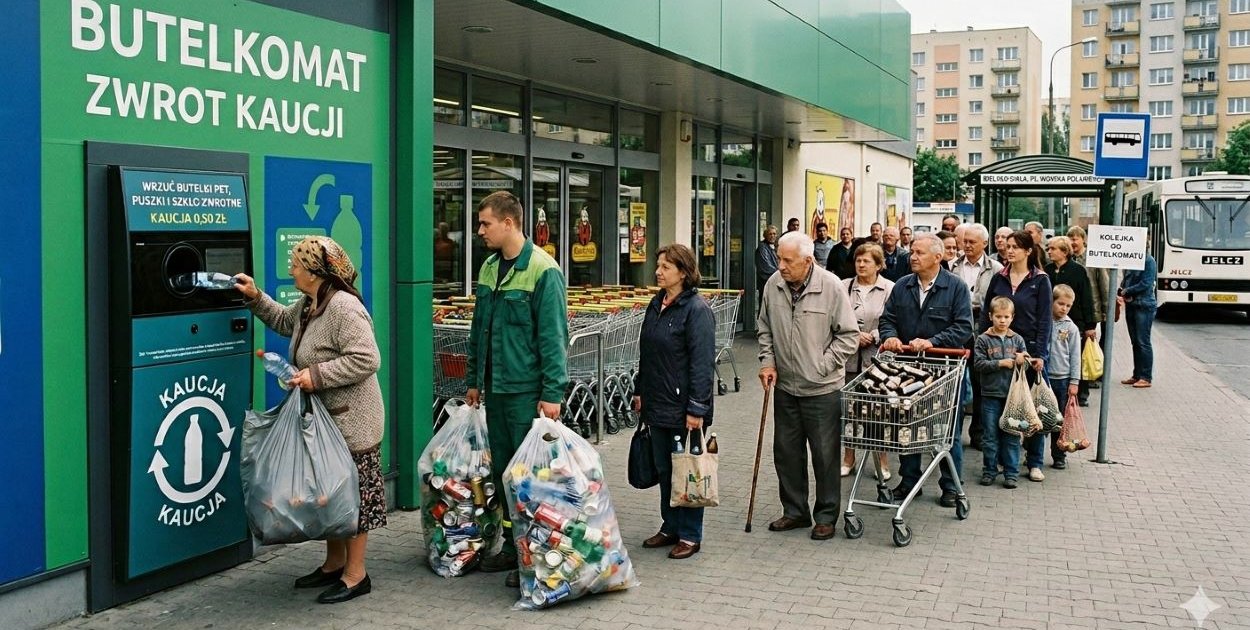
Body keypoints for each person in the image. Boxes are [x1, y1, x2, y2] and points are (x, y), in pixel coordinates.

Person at [234, 237, 384, 604]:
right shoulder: (310, 303)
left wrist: (314, 376)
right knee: (329, 490)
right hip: (326, 418)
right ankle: (334, 564)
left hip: (353, 419)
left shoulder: (344, 308)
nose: (291, 270)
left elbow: (367, 358)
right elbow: (284, 320)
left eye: (297, 265)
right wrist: (255, 297)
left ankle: (356, 574)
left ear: (316, 272)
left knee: (355, 495)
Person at [463, 190, 569, 587]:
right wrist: (474, 380)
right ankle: (512, 545)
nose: (480, 231)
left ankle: (535, 552)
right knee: (505, 473)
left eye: (485, 223)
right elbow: (479, 330)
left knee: (531, 477)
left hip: (527, 393)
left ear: (509, 223)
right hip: (497, 389)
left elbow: (553, 338)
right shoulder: (490, 268)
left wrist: (552, 393)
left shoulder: (543, 271)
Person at [757, 232, 859, 540]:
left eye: (788, 261)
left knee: (825, 456)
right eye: (779, 259)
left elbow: (849, 336)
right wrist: (767, 362)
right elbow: (764, 329)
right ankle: (795, 511)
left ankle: (826, 515)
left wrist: (822, 366)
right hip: (786, 387)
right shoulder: (773, 285)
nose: (782, 266)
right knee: (786, 453)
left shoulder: (831, 287)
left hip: (823, 390)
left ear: (808, 261)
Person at [633, 244, 716, 560]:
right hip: (658, 405)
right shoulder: (657, 304)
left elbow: (702, 363)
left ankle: (690, 535)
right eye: (658, 265)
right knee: (665, 469)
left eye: (665, 266)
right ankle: (670, 526)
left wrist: (697, 408)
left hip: (684, 409)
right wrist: (641, 390)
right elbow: (647, 354)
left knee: (689, 471)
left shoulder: (696, 310)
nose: (658, 271)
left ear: (683, 272)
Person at [878, 234, 974, 507]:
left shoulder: (955, 287)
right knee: (908, 425)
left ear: (938, 256)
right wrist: (890, 336)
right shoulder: (902, 286)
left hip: (944, 369)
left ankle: (951, 485)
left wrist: (933, 341)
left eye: (919, 252)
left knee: (946, 430)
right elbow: (888, 319)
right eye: (912, 252)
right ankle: (909, 481)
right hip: (907, 370)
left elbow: (964, 327)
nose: (913, 257)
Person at [979, 231, 1052, 484]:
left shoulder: (1040, 280)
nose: (1009, 251)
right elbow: (986, 311)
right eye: (1007, 246)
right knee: (1003, 408)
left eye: (1015, 247)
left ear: (1028, 251)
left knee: (1030, 408)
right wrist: (983, 339)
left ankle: (1034, 461)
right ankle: (1000, 461)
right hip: (999, 351)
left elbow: (1045, 320)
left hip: (1028, 352)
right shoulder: (999, 277)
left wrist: (1041, 354)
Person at [838, 243, 894, 480]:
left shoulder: (890, 288)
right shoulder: (843, 286)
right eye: (858, 260)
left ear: (879, 265)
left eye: (867, 261)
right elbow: (836, 317)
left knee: (879, 411)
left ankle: (882, 459)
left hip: (877, 361)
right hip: (848, 359)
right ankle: (848, 458)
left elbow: (893, 319)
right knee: (850, 410)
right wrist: (852, 334)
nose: (861, 265)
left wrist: (875, 336)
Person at [950, 223, 1003, 451]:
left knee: (982, 385)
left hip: (983, 331)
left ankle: (979, 433)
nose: (967, 245)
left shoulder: (997, 269)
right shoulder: (952, 266)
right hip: (959, 331)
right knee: (956, 383)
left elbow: (998, 302)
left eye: (973, 242)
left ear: (984, 243)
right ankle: (953, 433)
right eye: (965, 241)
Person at [972, 296, 1029, 489]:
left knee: (1012, 434)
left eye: (1006, 317)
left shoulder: (1018, 340)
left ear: (1012, 317)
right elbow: (978, 364)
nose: (1002, 320)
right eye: (998, 316)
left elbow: (1026, 364)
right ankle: (989, 470)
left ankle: (1011, 473)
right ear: (990, 316)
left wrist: (1024, 360)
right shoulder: (983, 340)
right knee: (990, 435)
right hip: (990, 395)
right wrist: (1000, 363)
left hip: (1012, 397)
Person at [1044, 236, 1096, 409]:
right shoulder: (1047, 270)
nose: (1049, 251)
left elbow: (1087, 297)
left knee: (1076, 355)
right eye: (1048, 248)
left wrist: (1090, 325)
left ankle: (1080, 391)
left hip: (1074, 322)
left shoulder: (1078, 270)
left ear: (1064, 252)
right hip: (1050, 321)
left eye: (1053, 248)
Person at [1068, 226, 1109, 399]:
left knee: (1089, 346)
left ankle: (1091, 376)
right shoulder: (1070, 259)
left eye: (1075, 239)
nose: (1072, 243)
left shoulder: (1093, 259)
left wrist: (1107, 310)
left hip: (1092, 308)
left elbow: (1104, 284)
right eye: (1070, 239)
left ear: (1083, 240)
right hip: (1072, 309)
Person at [1047, 285, 1083, 470]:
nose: (1064, 308)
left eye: (1068, 305)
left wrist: (1074, 381)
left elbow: (1076, 356)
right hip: (1045, 376)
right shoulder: (1044, 321)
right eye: (1061, 303)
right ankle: (1032, 452)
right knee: (1041, 416)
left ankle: (1059, 454)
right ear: (1052, 301)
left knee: (1059, 420)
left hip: (1062, 378)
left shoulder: (1071, 328)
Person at [1119, 250, 1158, 388]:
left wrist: (1127, 291)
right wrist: (1122, 289)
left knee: (1143, 342)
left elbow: (1146, 283)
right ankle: (1137, 375)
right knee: (1135, 342)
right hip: (1132, 305)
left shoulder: (1148, 261)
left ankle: (1146, 377)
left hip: (1144, 306)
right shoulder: (1131, 259)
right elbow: (1126, 280)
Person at [756, 225, 780, 306]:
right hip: (766, 282)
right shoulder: (762, 247)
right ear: (765, 235)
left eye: (774, 234)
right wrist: (780, 273)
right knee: (765, 305)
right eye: (770, 234)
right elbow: (766, 267)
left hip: (774, 281)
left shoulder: (775, 247)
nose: (772, 236)